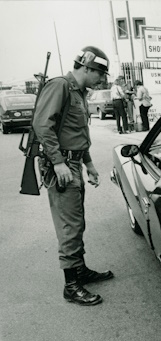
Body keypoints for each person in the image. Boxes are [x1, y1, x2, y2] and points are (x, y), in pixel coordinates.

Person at [32, 46, 114, 306]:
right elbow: (42, 124)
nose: (102, 79)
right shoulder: (61, 86)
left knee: (77, 222)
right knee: (70, 226)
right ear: (87, 68)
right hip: (63, 168)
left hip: (73, 164)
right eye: (100, 73)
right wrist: (57, 162)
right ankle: (71, 286)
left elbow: (77, 135)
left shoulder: (79, 93)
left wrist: (88, 164)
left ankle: (80, 270)